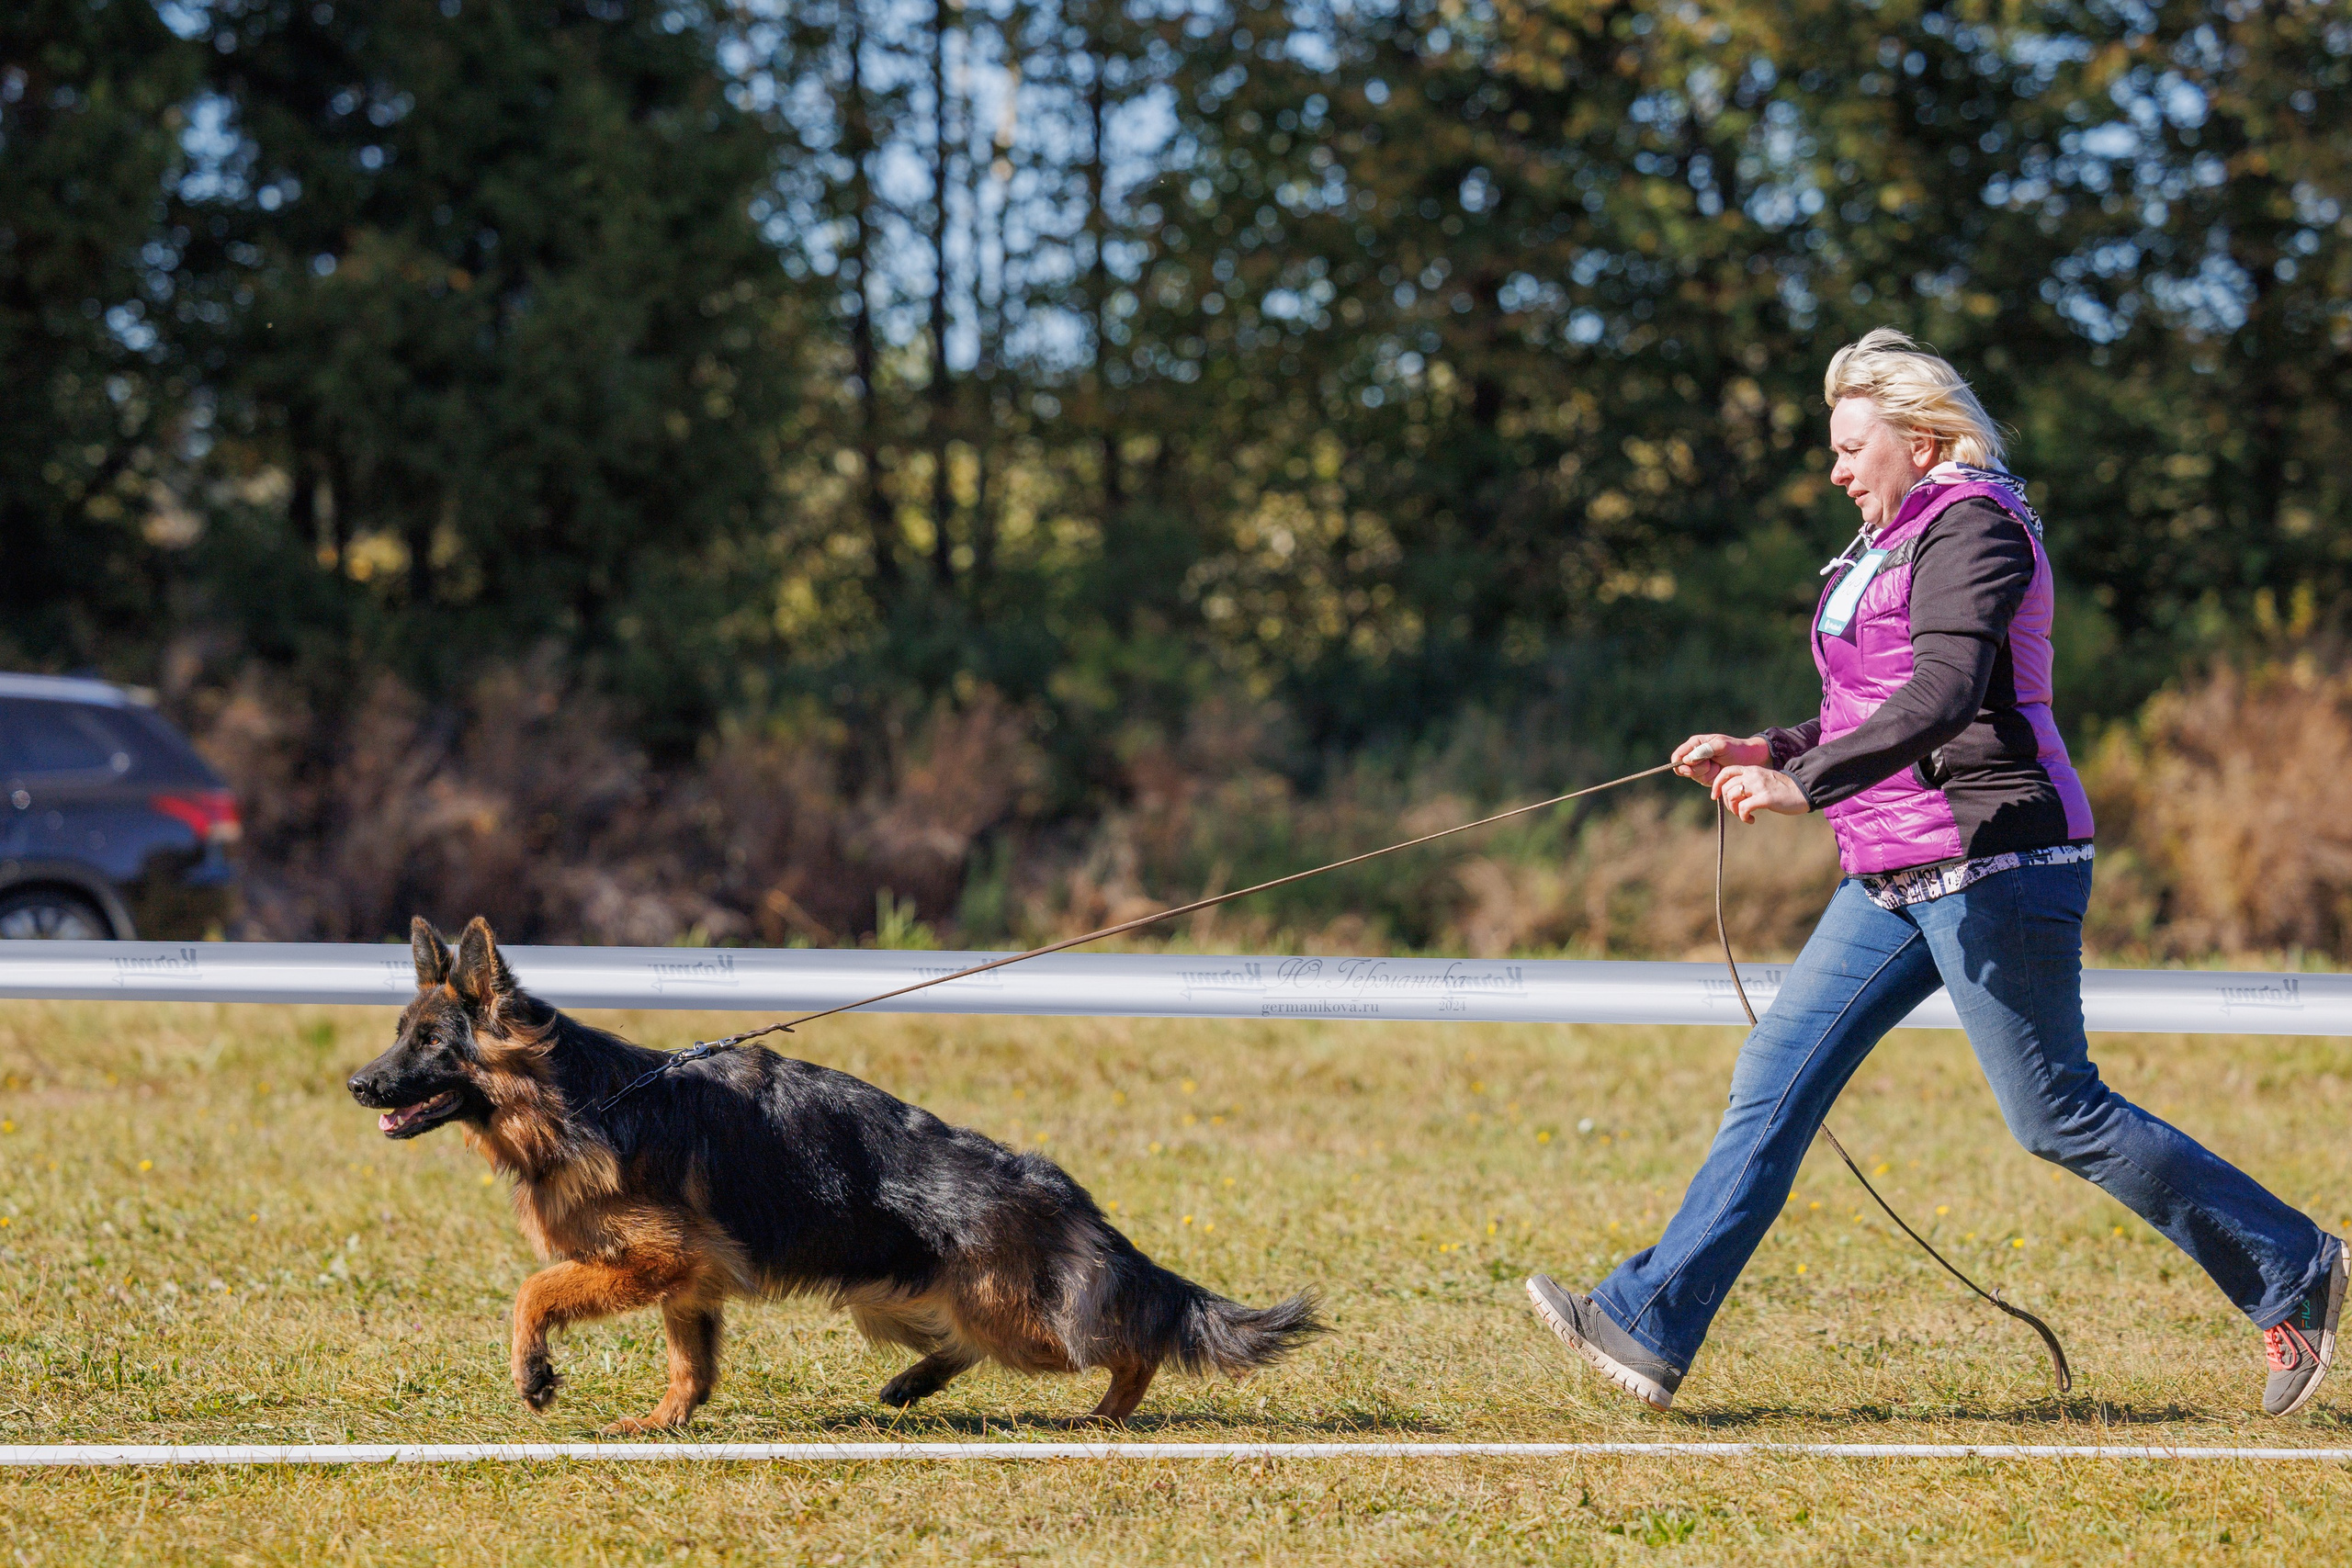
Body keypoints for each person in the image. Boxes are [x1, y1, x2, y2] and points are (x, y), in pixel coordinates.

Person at [1524, 327, 2343, 1417]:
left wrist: (1804, 784)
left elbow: (1944, 697)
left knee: (2054, 1114)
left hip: (1997, 859)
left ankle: (2295, 1268)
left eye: (1852, 445)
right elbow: (1864, 704)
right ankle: (1646, 1321)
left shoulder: (1977, 531)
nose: (1835, 467)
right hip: (1891, 870)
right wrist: (1766, 747)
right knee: (1774, 1078)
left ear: (1919, 439)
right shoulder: (1890, 542)